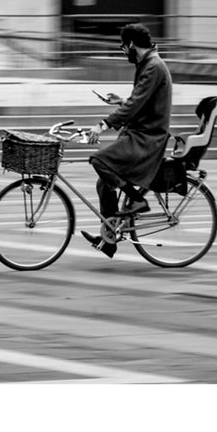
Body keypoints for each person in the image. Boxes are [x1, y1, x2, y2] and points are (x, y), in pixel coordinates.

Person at [80, 23, 172, 258]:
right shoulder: (148, 63)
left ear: (131, 44)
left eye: (123, 47)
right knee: (104, 184)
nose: (123, 52)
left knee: (99, 161)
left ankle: (136, 200)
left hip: (147, 138)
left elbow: (136, 105)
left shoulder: (153, 66)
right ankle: (110, 239)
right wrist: (121, 101)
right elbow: (140, 102)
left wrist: (103, 125)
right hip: (141, 132)